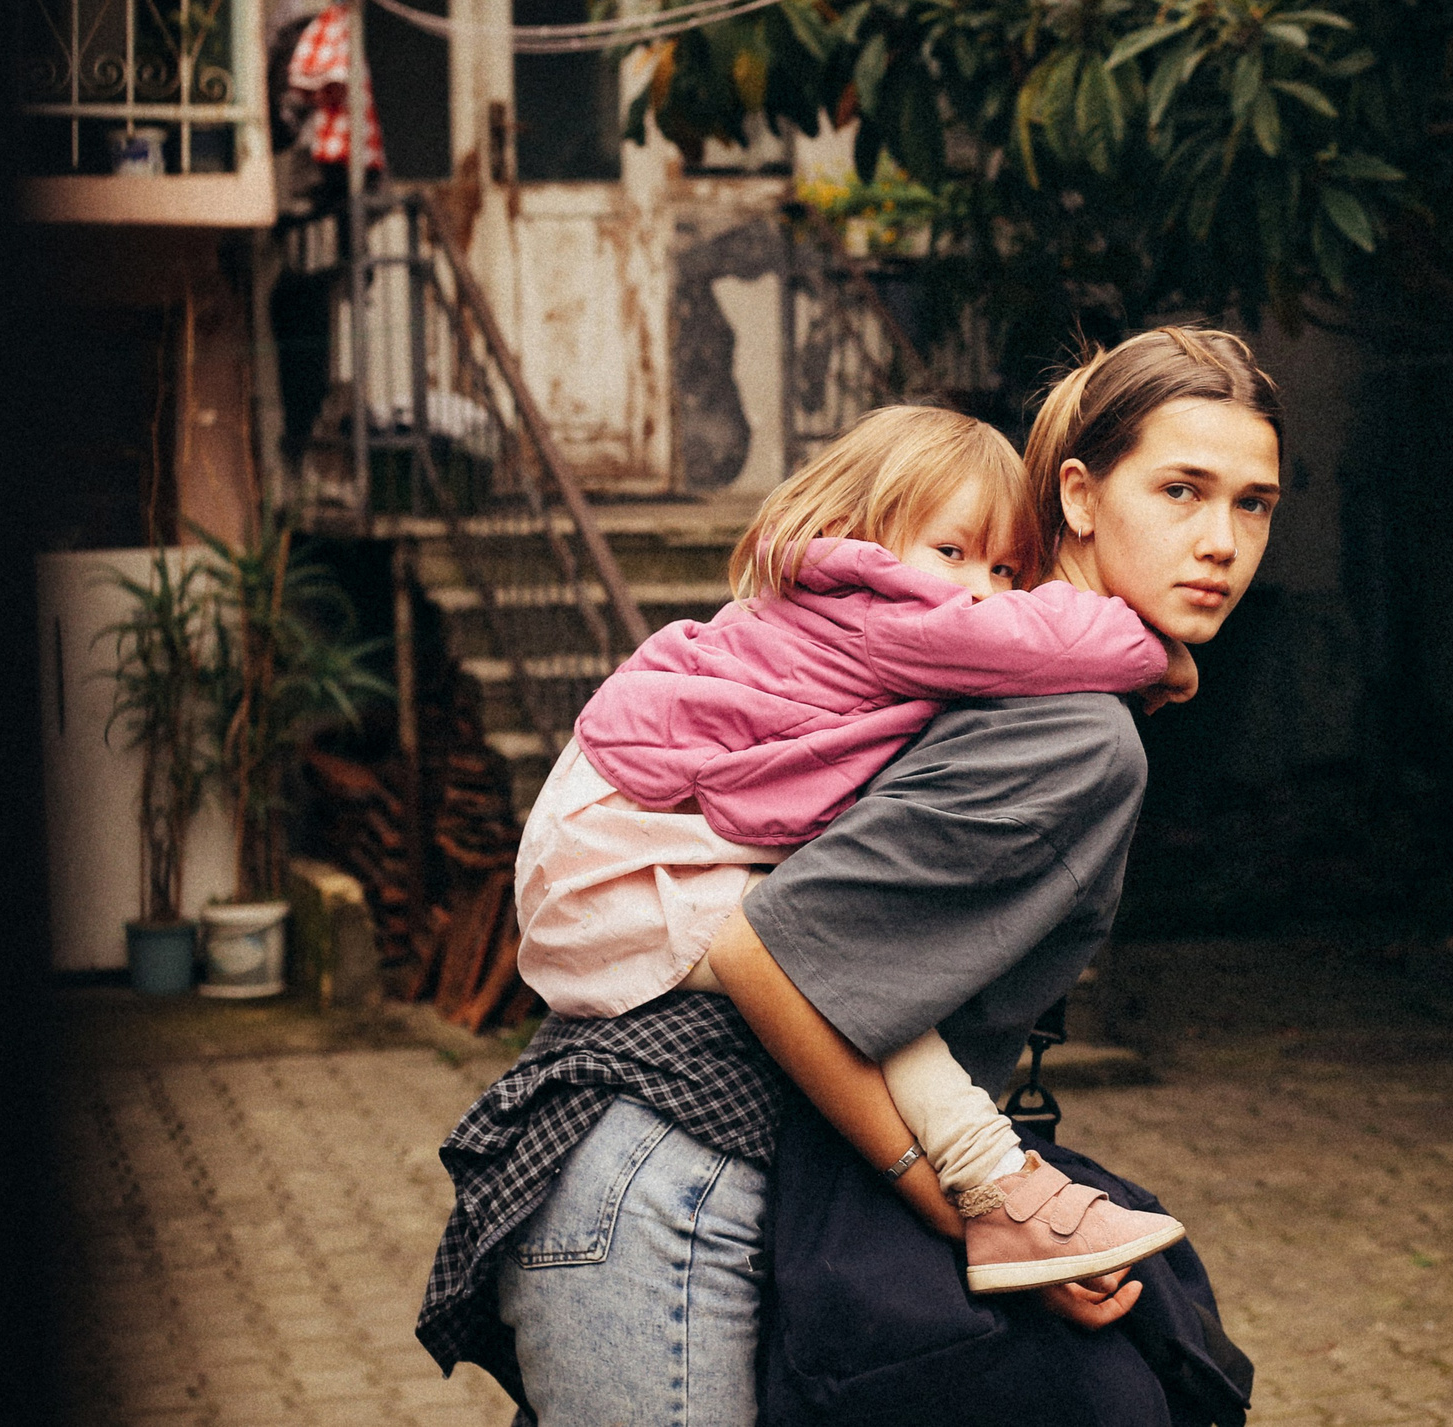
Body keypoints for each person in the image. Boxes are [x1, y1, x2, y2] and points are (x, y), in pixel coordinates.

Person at [417, 327, 1285, 1427]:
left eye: (1252, 504)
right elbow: (766, 944)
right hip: (674, 1173)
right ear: (1076, 493)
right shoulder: (1060, 724)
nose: (1218, 541)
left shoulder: (985, 685)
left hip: (693, 1164)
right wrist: (978, 1200)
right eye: (1180, 490)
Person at [518, 402, 1193, 1292]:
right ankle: (997, 1184)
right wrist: (1158, 652)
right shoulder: (883, 612)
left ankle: (1002, 1192)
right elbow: (1031, 639)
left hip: (615, 852)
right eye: (952, 552)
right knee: (838, 974)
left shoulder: (840, 613)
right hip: (613, 871)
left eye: (1005, 567)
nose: (982, 589)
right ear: (856, 534)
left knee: (847, 971)